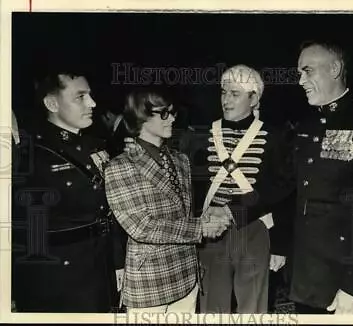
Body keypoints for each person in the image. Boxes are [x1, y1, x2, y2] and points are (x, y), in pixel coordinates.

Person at [105, 88, 229, 313]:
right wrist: (200, 227)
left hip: (187, 276)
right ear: (141, 116)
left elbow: (181, 213)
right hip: (150, 281)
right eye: (164, 113)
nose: (172, 118)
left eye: (172, 112)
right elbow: (142, 227)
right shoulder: (120, 166)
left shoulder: (181, 160)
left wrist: (207, 216)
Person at [290, 40, 353, 314]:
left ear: (334, 69)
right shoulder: (306, 126)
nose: (300, 80)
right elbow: (288, 189)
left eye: (307, 70)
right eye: (300, 72)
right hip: (308, 277)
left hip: (346, 282)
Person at [12, 69, 125, 312]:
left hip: (100, 269)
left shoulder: (96, 146)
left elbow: (109, 214)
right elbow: (22, 233)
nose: (92, 103)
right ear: (52, 103)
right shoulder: (31, 156)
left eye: (91, 95)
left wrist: (117, 262)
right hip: (59, 281)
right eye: (80, 97)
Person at [194, 64, 296, 313]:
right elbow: (195, 187)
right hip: (211, 232)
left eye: (234, 94)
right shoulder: (204, 135)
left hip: (254, 230)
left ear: (254, 99)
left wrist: (280, 246)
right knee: (211, 307)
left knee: (253, 307)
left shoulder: (274, 136)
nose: (226, 100)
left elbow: (283, 190)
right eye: (223, 92)